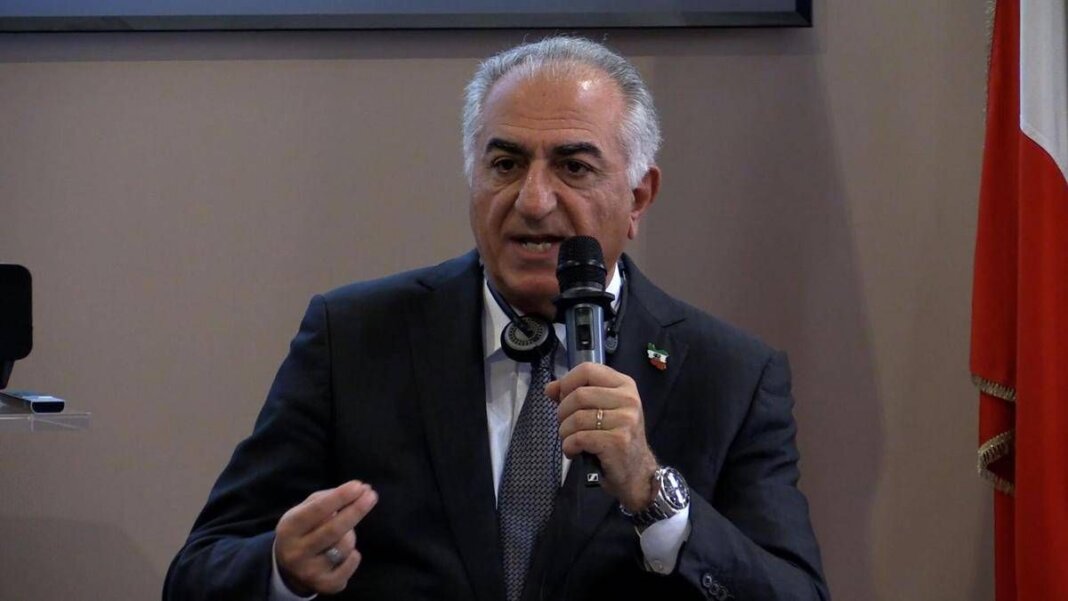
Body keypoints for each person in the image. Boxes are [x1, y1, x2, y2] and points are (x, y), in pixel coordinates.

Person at [164, 36, 829, 601]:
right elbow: (197, 572)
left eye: (573, 166)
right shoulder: (354, 339)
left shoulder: (730, 376)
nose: (533, 201)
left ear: (638, 197)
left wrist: (654, 494)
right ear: (473, 178)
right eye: (506, 164)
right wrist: (281, 571)